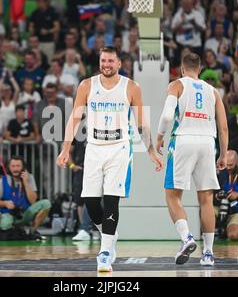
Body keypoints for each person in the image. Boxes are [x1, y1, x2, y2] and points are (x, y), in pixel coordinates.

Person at [56, 46, 162, 272]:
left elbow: (142, 123)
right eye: (103, 60)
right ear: (99, 62)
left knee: (112, 199)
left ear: (119, 64)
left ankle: (104, 253)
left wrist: (151, 150)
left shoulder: (131, 87)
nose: (106, 64)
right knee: (92, 202)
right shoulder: (86, 85)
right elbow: (74, 120)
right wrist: (66, 149)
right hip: (94, 147)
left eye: (111, 61)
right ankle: (109, 234)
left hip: (119, 148)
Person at [156, 53, 228, 266]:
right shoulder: (213, 91)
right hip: (207, 143)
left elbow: (168, 115)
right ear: (200, 68)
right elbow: (223, 127)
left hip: (183, 141)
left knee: (172, 195)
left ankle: (186, 237)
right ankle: (208, 253)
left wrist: (160, 136)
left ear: (181, 68)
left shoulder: (177, 85)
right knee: (206, 199)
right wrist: (223, 154)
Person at [0, 157, 51, 240]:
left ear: (23, 167)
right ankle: (16, 230)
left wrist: (26, 183)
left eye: (18, 166)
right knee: (5, 225)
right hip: (9, 213)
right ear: (9, 168)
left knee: (46, 203)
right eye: (13, 166)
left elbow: (33, 201)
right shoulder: (3, 179)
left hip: (25, 212)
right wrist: (5, 203)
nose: (15, 169)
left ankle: (32, 231)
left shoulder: (29, 177)